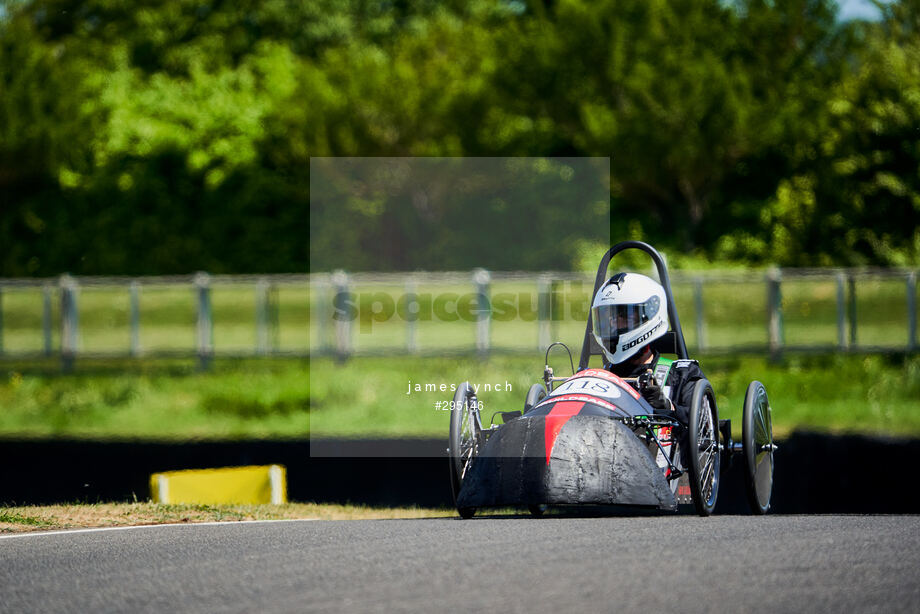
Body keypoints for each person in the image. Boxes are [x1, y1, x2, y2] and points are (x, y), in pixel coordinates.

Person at [590, 272, 705, 423]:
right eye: (608, 317)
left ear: (649, 314)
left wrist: (667, 407)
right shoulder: (597, 380)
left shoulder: (682, 375)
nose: (614, 324)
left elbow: (701, 427)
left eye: (624, 315)